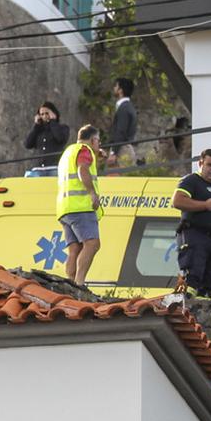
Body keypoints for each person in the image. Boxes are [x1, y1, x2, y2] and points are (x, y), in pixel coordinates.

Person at [172, 149, 211, 298]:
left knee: (210, 282)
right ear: (200, 163)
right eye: (209, 165)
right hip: (196, 235)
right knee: (193, 276)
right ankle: (187, 306)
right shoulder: (191, 180)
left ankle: (203, 305)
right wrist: (205, 205)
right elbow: (177, 201)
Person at [55, 125, 102, 286]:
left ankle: (70, 283)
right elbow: (83, 170)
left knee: (74, 249)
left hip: (65, 208)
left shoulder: (68, 152)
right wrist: (92, 193)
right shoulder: (84, 150)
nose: (98, 145)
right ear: (93, 139)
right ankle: (79, 283)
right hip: (80, 206)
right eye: (98, 141)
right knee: (92, 244)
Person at [110, 77, 138, 165]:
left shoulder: (124, 108)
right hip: (125, 148)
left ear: (120, 90)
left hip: (122, 150)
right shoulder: (128, 107)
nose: (114, 88)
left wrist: (113, 152)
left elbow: (120, 131)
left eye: (116, 86)